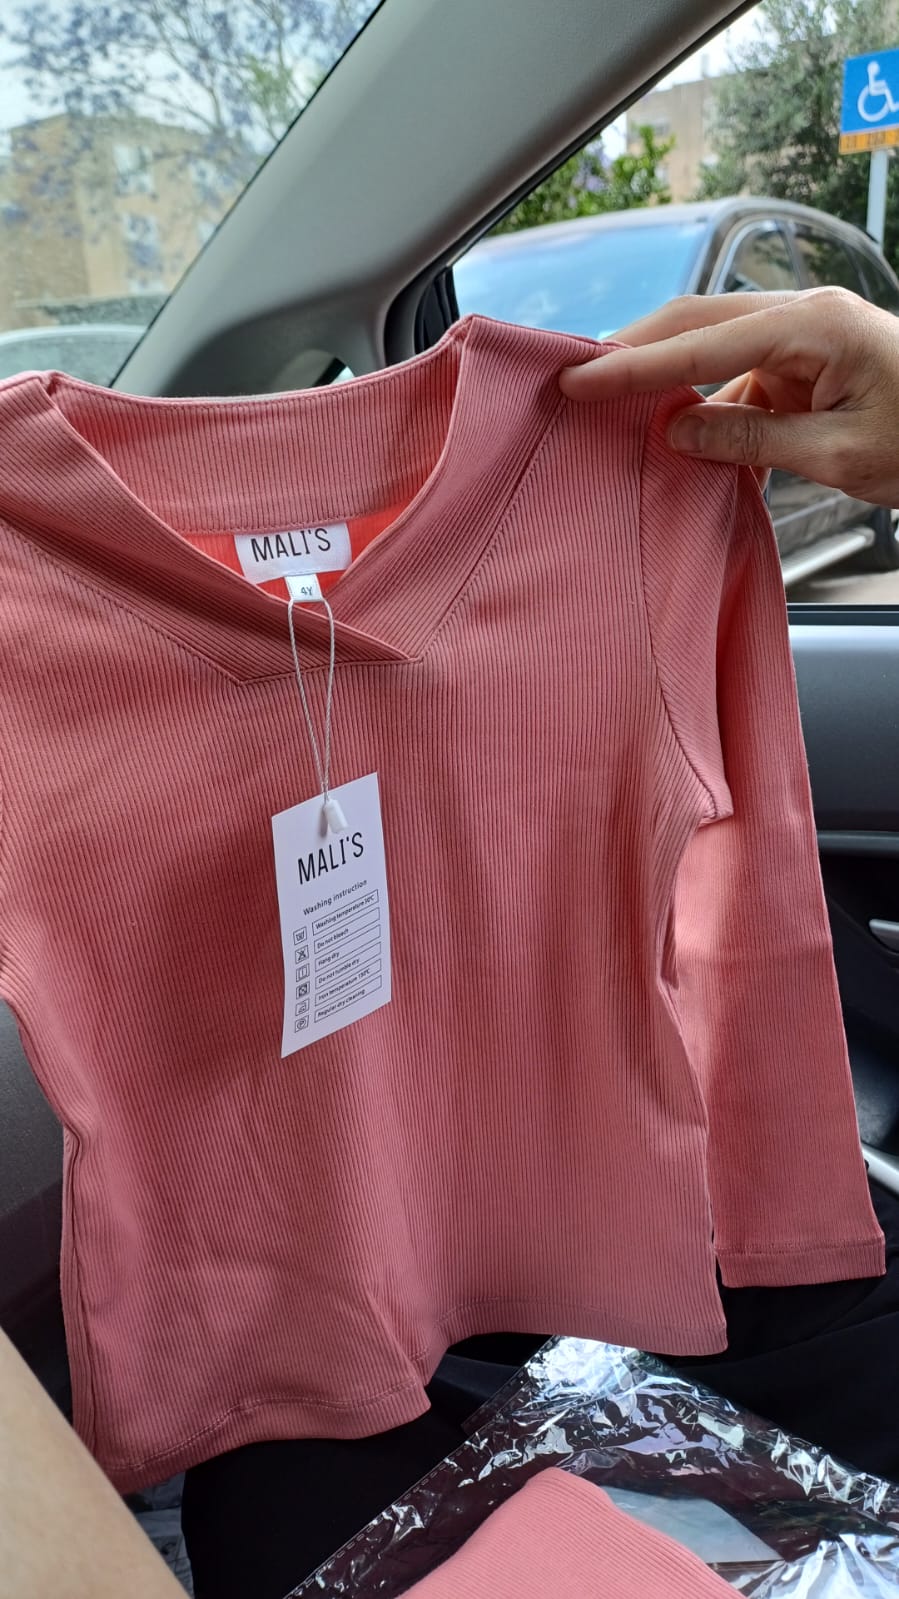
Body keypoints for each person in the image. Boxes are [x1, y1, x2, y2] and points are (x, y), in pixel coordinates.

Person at [4, 283, 899, 1596]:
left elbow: (753, 896)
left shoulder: (633, 472)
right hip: (295, 1328)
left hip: (468, 1285)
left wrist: (780, 1225)